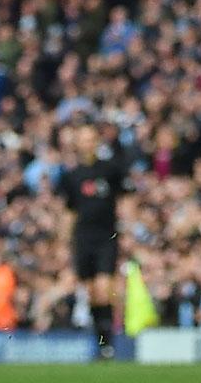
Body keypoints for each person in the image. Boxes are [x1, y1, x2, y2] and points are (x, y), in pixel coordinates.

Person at [57, 123, 135, 359]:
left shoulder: (110, 170)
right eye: (83, 139)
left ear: (96, 142)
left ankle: (107, 343)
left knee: (104, 290)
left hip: (106, 237)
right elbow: (69, 212)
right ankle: (100, 343)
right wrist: (63, 242)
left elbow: (125, 200)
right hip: (83, 238)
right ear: (77, 144)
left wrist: (129, 230)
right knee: (90, 293)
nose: (88, 143)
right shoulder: (72, 176)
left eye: (91, 138)